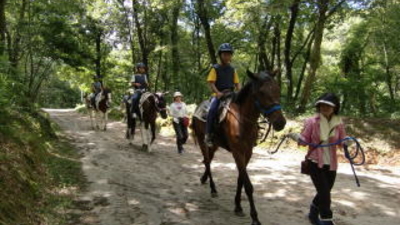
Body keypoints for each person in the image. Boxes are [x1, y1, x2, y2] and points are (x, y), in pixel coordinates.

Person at [287, 93, 351, 225]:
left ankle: (312, 213)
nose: (324, 107)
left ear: (335, 108)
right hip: (315, 162)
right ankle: (327, 220)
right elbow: (305, 141)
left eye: (328, 105)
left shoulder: (338, 122)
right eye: (322, 105)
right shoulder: (311, 122)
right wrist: (297, 137)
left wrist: (347, 141)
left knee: (325, 191)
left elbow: (341, 141)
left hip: (331, 163)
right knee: (325, 194)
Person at [204, 43, 241, 147]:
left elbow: (237, 83)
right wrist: (217, 93)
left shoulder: (232, 69)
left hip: (231, 94)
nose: (227, 56)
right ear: (220, 55)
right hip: (218, 95)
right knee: (212, 110)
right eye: (224, 54)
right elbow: (211, 82)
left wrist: (239, 91)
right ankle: (208, 135)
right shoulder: (215, 68)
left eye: (229, 54)